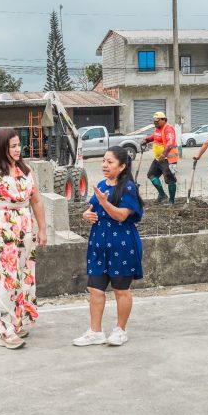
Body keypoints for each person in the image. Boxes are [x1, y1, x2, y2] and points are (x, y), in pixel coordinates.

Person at [0, 127, 47, 350]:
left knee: (23, 277)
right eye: (12, 146)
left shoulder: (25, 170)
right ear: (1, 147)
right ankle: (5, 330)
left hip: (24, 229)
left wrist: (42, 229)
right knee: (5, 277)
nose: (17, 149)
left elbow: (37, 202)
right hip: (0, 229)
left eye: (18, 145)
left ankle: (16, 322)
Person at [74, 146, 144, 347]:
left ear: (122, 166)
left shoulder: (128, 187)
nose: (104, 165)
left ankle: (120, 330)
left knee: (121, 289)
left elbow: (121, 215)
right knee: (95, 288)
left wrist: (104, 203)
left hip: (122, 245)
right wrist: (86, 215)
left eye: (110, 162)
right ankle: (95, 332)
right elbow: (91, 209)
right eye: (104, 161)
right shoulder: (101, 185)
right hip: (99, 243)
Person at [141, 111, 178, 204]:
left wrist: (164, 154)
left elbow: (170, 143)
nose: (155, 123)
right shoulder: (158, 128)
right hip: (158, 159)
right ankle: (162, 194)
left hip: (168, 159)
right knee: (151, 175)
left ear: (163, 120)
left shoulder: (168, 129)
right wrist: (147, 140)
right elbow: (155, 136)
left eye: (157, 121)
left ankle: (171, 201)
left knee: (170, 180)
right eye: (154, 121)